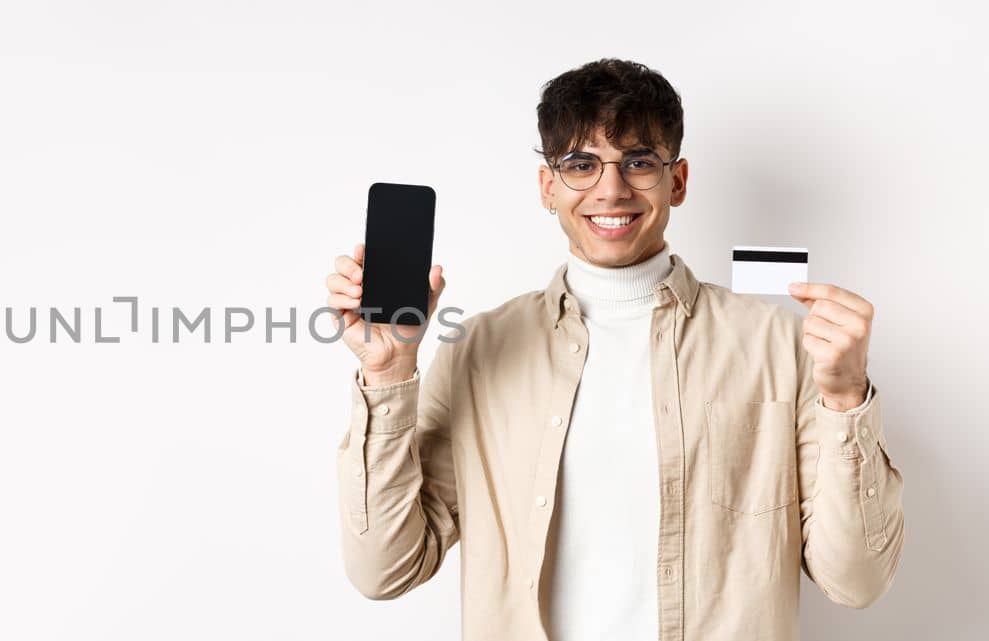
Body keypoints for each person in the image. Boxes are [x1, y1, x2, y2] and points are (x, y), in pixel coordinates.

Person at [324, 58, 903, 641]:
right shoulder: (479, 352)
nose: (611, 188)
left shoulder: (781, 346)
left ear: (676, 181)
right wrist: (390, 371)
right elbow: (385, 570)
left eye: (639, 162)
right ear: (549, 187)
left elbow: (857, 582)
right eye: (581, 164)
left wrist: (847, 397)